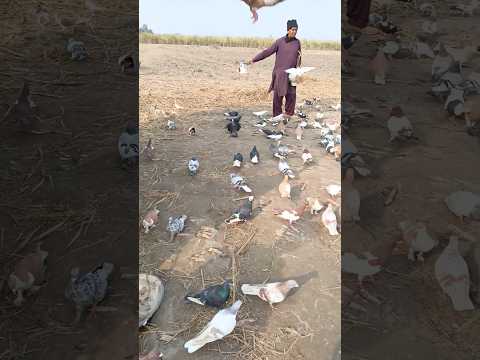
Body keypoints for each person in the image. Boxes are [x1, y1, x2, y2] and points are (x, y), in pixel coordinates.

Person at [246, 19, 301, 118]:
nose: (294, 31)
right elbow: (267, 52)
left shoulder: (297, 43)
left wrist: (298, 71)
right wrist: (253, 60)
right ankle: (277, 116)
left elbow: (299, 57)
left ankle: (288, 115)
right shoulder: (279, 42)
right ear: (288, 30)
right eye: (292, 29)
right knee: (278, 96)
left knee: (291, 95)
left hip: (292, 74)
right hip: (280, 74)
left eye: (296, 30)